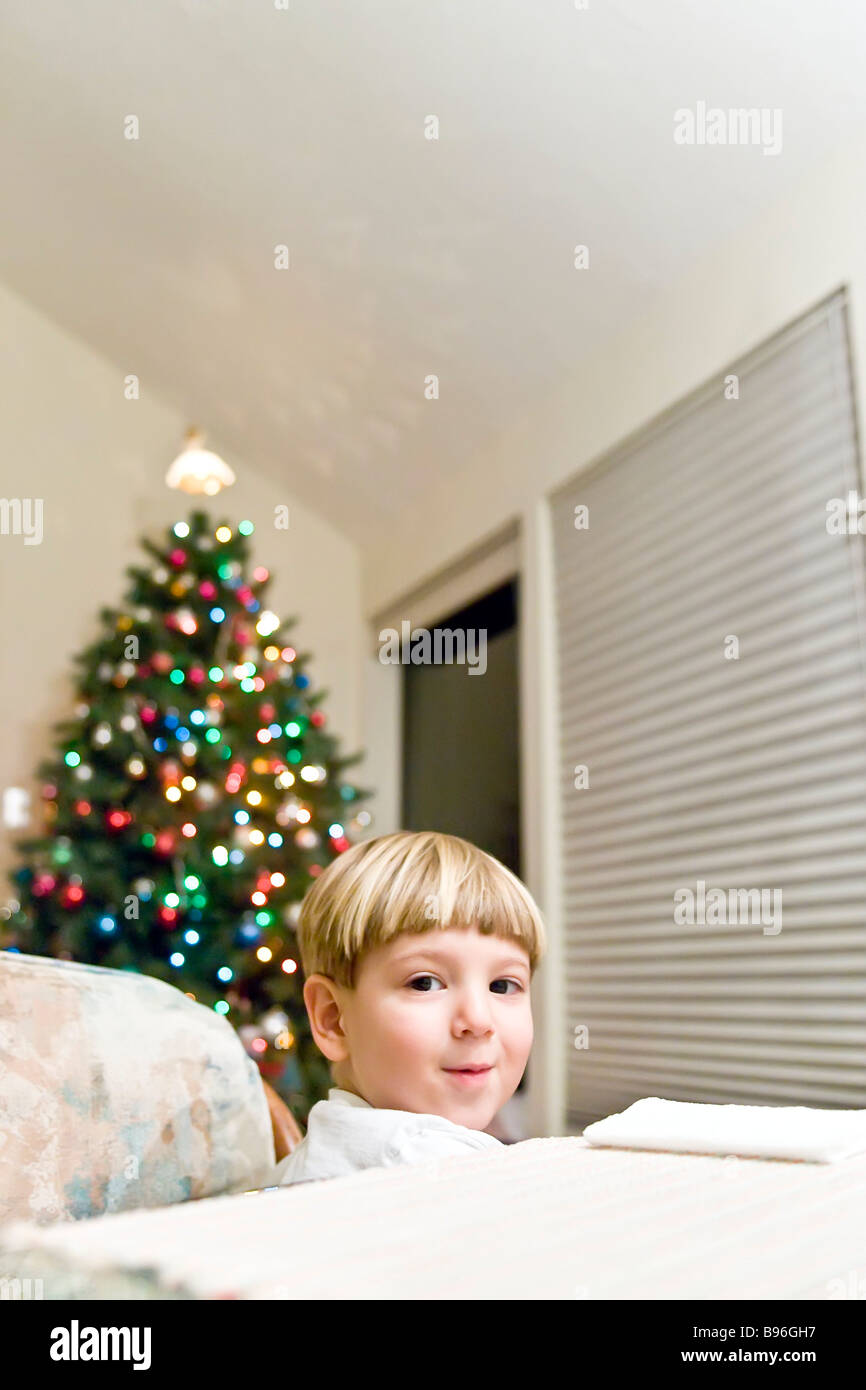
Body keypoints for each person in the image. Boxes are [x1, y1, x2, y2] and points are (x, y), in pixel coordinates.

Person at [271, 829, 547, 1185]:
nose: (478, 1020)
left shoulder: (314, 1156)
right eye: (424, 983)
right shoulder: (429, 1162)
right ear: (334, 1019)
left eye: (502, 985)